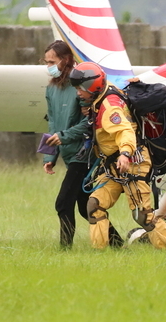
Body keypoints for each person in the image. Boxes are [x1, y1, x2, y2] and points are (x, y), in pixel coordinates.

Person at [69, 61, 166, 250]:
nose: (78, 92)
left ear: (91, 87)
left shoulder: (110, 107)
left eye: (80, 88)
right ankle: (99, 252)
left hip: (131, 162)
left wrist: (125, 154)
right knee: (94, 205)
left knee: (143, 215)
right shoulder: (103, 93)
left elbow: (125, 131)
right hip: (113, 165)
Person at [41, 41, 122, 249]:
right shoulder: (51, 89)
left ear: (66, 60)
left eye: (52, 61)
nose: (48, 65)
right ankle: (118, 244)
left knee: (62, 203)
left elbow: (90, 123)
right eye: (46, 62)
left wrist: (65, 136)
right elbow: (52, 122)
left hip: (84, 153)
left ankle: (65, 250)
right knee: (85, 206)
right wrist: (50, 156)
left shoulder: (81, 88)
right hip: (68, 153)